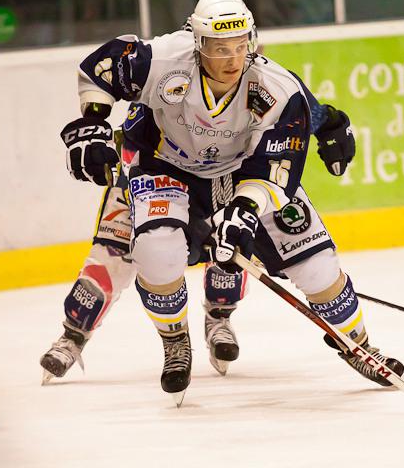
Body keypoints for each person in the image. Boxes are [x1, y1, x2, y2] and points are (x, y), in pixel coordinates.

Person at [61, 0, 396, 405]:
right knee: (156, 251)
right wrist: (92, 125)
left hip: (243, 173)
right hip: (166, 166)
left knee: (317, 266)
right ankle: (175, 341)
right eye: (220, 49)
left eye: (240, 46)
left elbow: (274, 167)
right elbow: (101, 69)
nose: (233, 59)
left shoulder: (276, 89)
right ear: (198, 43)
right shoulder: (163, 59)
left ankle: (359, 345)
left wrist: (244, 211)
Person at [40, 90, 354, 383]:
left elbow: (293, 109)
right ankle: (73, 335)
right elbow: (132, 150)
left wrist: (330, 121)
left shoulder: (249, 89)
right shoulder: (166, 87)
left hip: (218, 187)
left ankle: (219, 317)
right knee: (109, 262)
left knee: (228, 247)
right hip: (143, 186)